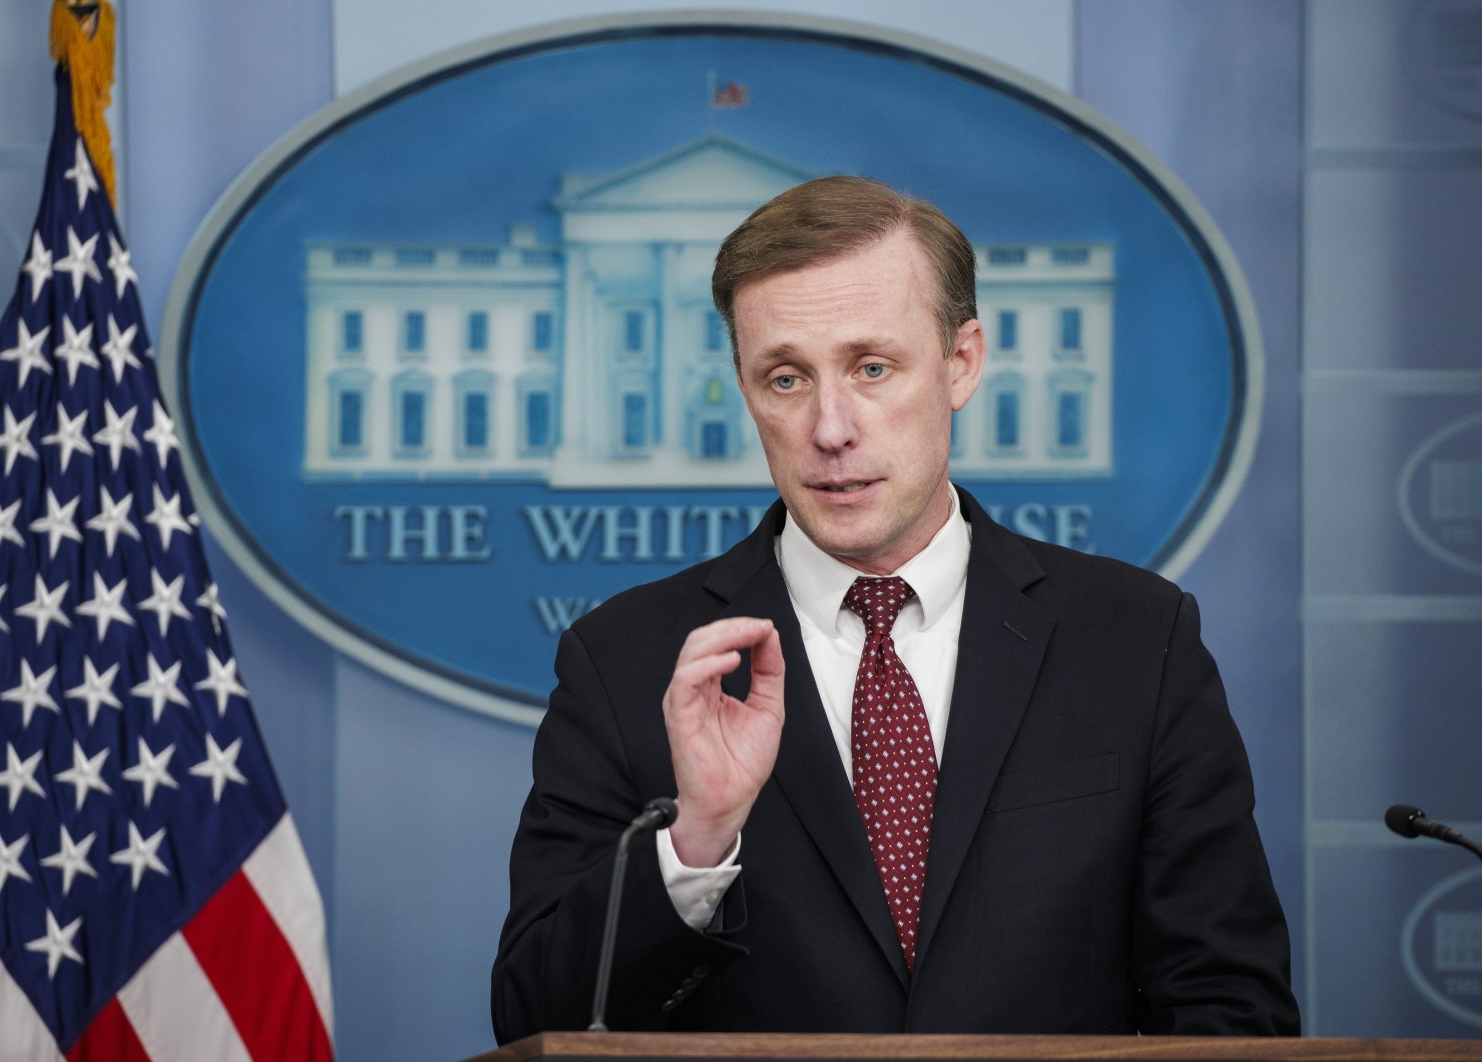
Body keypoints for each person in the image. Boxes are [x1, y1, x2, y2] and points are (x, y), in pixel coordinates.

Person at [491, 175, 1299, 1040]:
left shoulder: (1137, 640)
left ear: (961, 363)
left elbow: (1229, 1008)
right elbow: (537, 1020)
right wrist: (697, 844)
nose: (830, 428)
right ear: (743, 385)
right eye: (787, 378)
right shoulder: (627, 661)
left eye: (872, 368)